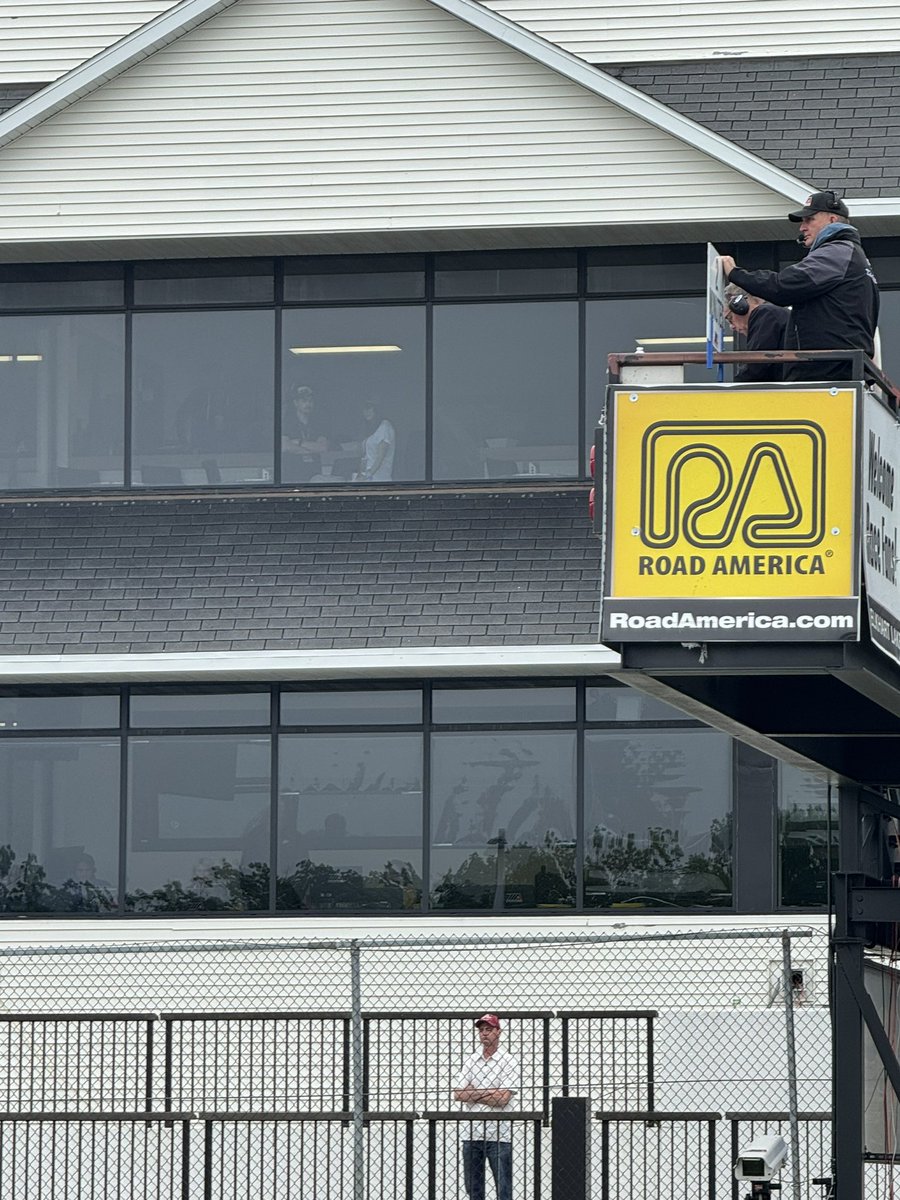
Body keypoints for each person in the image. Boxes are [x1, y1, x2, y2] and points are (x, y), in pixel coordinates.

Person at [718, 190, 879, 382]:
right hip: (837, 369)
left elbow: (782, 287)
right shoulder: (852, 256)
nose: (802, 227)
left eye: (809, 220)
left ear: (832, 219)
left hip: (826, 371)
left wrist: (735, 273)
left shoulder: (836, 252)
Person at [452, 1013, 520, 1200]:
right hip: (472, 1133)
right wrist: (490, 1092)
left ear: (498, 1032)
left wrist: (474, 1094)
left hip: (499, 1134)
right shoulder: (471, 1060)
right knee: (474, 1190)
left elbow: (503, 1099)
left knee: (504, 1190)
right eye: (481, 1030)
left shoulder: (509, 1061)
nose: (484, 1034)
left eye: (488, 1029)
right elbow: (458, 1094)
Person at [723, 282, 789, 382]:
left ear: (740, 304)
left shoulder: (765, 313)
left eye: (730, 318)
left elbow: (756, 366)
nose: (732, 327)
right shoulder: (773, 313)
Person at [282, 385, 329, 481]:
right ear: (295, 403)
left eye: (310, 401)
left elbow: (323, 447)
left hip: (313, 475)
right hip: (291, 475)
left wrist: (298, 443)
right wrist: (312, 449)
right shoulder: (287, 423)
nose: (308, 404)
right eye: (304, 401)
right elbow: (285, 446)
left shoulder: (318, 424)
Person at [356, 403, 395, 482]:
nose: (366, 412)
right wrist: (360, 474)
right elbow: (364, 457)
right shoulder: (369, 428)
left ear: (377, 410)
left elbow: (380, 457)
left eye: (369, 408)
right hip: (368, 478)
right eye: (364, 409)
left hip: (379, 479)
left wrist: (367, 476)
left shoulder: (384, 427)